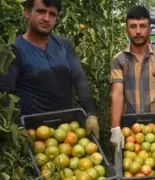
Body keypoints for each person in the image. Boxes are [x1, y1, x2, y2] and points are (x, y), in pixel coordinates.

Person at [0, 0, 99, 138]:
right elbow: (6, 93)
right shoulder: (15, 50)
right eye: (41, 11)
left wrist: (91, 114)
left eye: (52, 14)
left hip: (68, 131)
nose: (46, 18)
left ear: (56, 19)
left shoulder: (64, 45)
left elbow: (79, 79)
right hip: (35, 133)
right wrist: (19, 126)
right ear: (27, 13)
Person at [109, 5, 155, 163]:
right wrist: (115, 127)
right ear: (127, 30)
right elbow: (117, 94)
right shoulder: (119, 60)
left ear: (149, 28)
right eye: (133, 26)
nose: (138, 31)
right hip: (129, 128)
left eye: (143, 26)